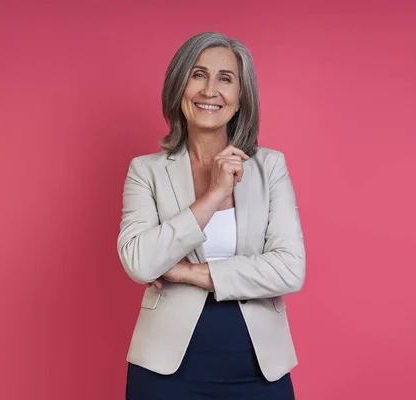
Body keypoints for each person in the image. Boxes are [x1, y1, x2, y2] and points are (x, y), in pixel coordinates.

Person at [117, 32, 306, 400]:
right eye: (198, 74)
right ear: (179, 87)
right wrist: (215, 193)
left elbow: (290, 268)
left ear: (239, 100)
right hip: (164, 371)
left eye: (225, 78)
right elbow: (140, 263)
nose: (209, 90)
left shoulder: (270, 168)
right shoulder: (146, 171)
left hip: (258, 368)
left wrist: (188, 272)